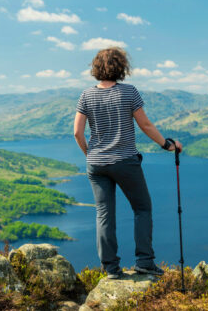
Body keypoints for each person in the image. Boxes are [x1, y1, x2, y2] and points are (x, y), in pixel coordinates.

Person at [73, 47, 182, 279]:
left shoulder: (86, 95)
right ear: (122, 67)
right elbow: (146, 125)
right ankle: (144, 262)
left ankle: (111, 269)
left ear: (96, 67)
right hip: (125, 162)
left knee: (104, 214)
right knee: (142, 208)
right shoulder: (129, 92)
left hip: (96, 164)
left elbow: (77, 133)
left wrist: (90, 155)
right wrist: (167, 145)